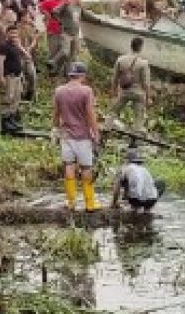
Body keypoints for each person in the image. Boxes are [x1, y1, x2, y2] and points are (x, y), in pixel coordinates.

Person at [53, 62, 101, 212]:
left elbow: (56, 113)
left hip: (66, 135)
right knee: (86, 168)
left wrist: (55, 129)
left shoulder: (59, 91)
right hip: (83, 136)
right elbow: (90, 114)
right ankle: (90, 204)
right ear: (82, 75)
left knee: (68, 165)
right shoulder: (86, 91)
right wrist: (96, 132)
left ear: (70, 75)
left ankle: (71, 203)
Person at [109, 37, 151, 130]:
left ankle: (106, 129)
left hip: (124, 92)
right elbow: (146, 83)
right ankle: (135, 138)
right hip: (138, 94)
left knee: (113, 112)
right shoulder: (143, 63)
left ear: (131, 46)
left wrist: (113, 92)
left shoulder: (120, 60)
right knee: (138, 117)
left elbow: (114, 79)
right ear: (140, 47)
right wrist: (148, 98)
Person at [111, 148, 166, 213]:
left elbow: (116, 189)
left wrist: (114, 203)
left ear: (127, 160)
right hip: (151, 200)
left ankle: (135, 207)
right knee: (161, 183)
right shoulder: (144, 169)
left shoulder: (124, 169)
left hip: (135, 200)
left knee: (127, 183)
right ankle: (147, 210)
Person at [0, 25, 26, 135]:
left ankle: (11, 121)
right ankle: (4, 123)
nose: (13, 35)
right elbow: (0, 62)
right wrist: (1, 76)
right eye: (11, 33)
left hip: (17, 76)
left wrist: (20, 46)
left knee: (16, 98)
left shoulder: (16, 46)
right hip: (9, 77)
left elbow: (27, 56)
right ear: (7, 34)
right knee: (7, 99)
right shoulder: (3, 46)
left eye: (15, 33)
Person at [49, 0, 84, 75]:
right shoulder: (66, 5)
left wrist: (100, 20)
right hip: (66, 33)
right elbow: (54, 11)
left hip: (75, 34)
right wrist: (60, 20)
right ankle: (53, 61)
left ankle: (68, 75)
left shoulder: (79, 7)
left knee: (72, 57)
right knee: (65, 52)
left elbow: (87, 15)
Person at [15, 6, 39, 101]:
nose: (29, 18)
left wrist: (30, 47)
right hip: (18, 57)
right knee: (20, 77)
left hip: (28, 56)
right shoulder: (16, 28)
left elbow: (35, 39)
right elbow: (17, 43)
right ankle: (20, 95)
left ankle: (30, 94)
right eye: (27, 16)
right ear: (22, 17)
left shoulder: (31, 27)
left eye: (29, 16)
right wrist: (25, 51)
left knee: (32, 76)